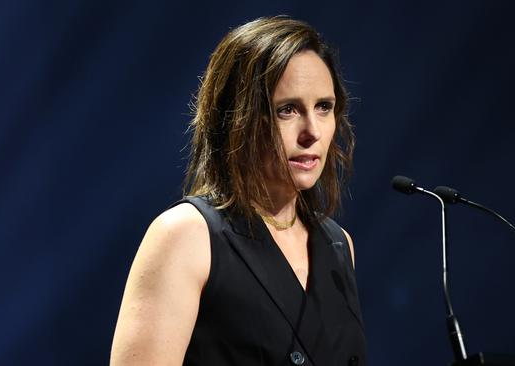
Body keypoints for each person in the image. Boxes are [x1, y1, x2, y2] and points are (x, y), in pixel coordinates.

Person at [111, 16, 366, 366]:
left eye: (324, 107)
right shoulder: (186, 235)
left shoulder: (338, 246)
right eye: (287, 110)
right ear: (237, 118)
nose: (312, 132)